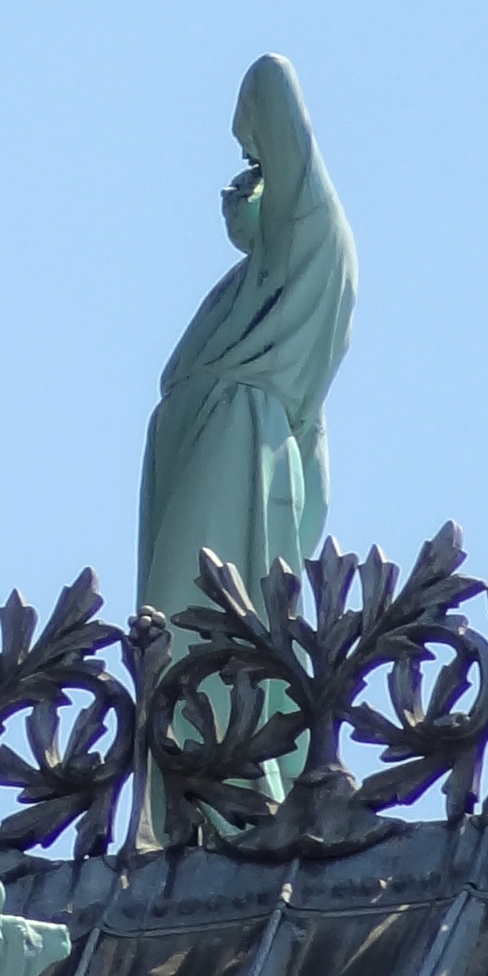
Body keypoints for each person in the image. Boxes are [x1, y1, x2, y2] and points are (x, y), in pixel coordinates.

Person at [136, 53, 356, 643]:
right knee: (163, 630)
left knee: (194, 618)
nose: (232, 189)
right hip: (195, 443)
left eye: (253, 175)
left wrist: (252, 138)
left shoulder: (306, 245)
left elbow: (272, 78)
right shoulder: (245, 286)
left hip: (236, 447)